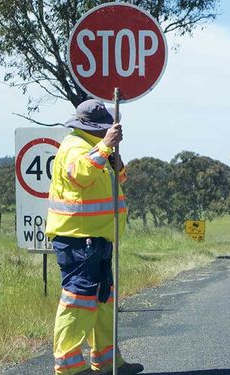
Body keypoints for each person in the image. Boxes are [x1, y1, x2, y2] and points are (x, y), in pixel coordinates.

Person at [46, 99, 144, 375]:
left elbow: (116, 181)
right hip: (79, 239)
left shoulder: (94, 148)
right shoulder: (74, 147)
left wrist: (115, 160)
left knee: (102, 301)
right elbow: (81, 175)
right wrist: (106, 146)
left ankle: (108, 361)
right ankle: (69, 367)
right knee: (78, 300)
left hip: (97, 238)